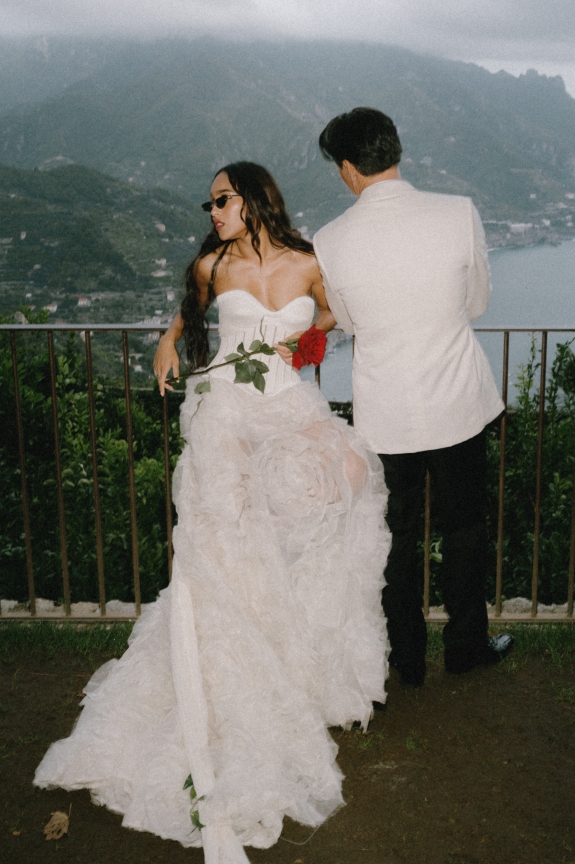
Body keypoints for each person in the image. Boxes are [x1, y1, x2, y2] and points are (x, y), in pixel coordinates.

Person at [34, 161, 390, 863]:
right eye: (209, 203)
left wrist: (306, 342)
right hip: (225, 408)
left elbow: (336, 315)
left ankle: (305, 654)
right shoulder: (208, 266)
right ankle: (233, 661)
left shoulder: (308, 261)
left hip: (286, 403)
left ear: (255, 200)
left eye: (221, 199)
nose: (212, 210)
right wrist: (168, 341)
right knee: (222, 542)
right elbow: (187, 321)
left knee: (353, 472)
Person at [311, 108, 512, 689]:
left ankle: (406, 660)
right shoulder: (457, 213)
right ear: (394, 152)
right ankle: (467, 647)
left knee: (396, 539)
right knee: (466, 530)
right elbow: (476, 304)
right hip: (459, 405)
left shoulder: (332, 240)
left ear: (348, 169)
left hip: (386, 416)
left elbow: (346, 321)